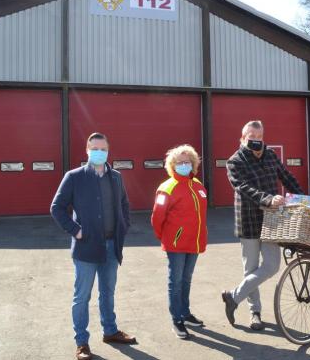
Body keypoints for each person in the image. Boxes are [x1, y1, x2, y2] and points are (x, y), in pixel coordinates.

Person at [50, 132, 136, 360]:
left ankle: (110, 331)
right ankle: (82, 342)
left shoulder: (116, 177)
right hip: (86, 247)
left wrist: (123, 227)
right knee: (82, 296)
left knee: (107, 293)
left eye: (103, 148)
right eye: (95, 148)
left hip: (111, 245)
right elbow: (57, 207)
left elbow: (125, 205)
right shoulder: (74, 177)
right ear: (87, 151)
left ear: (108, 150)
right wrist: (75, 230)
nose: (99, 152)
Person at [221, 120, 303, 331]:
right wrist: (268, 198)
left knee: (272, 266)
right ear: (243, 138)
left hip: (272, 222)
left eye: (259, 137)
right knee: (250, 268)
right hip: (248, 220)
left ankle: (233, 296)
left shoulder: (270, 155)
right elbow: (243, 187)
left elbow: (286, 177)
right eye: (251, 136)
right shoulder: (234, 161)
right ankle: (254, 312)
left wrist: (302, 198)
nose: (256, 140)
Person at [151, 144, 208, 339]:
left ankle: (185, 312)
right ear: (172, 165)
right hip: (176, 244)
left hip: (195, 242)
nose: (184, 165)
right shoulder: (167, 187)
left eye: (187, 162)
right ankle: (176, 319)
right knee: (175, 281)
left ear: (193, 163)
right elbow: (157, 218)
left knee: (186, 279)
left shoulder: (198, 185)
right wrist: (166, 238)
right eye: (180, 162)